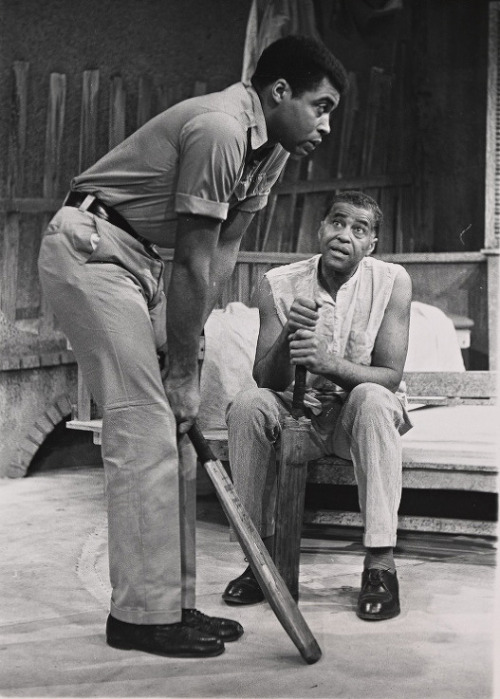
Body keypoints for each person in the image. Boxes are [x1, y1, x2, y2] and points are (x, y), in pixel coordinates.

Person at [37, 36, 348, 657]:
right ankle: (139, 618)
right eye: (321, 105)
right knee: (145, 425)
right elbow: (195, 255)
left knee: (177, 434)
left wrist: (192, 355)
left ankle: (171, 605)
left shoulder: (272, 151)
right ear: (279, 92)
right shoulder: (220, 128)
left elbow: (223, 254)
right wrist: (181, 369)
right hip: (92, 250)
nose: (326, 123)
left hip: (139, 264)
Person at [222, 190, 413, 621]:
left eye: (359, 229)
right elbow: (265, 379)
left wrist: (327, 363)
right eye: (337, 222)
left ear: (371, 244)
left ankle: (380, 565)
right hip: (299, 417)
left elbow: (390, 375)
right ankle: (260, 560)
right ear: (322, 229)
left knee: (373, 397)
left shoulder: (391, 282)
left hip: (357, 422)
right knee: (248, 405)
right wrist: (290, 333)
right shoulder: (278, 283)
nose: (344, 235)